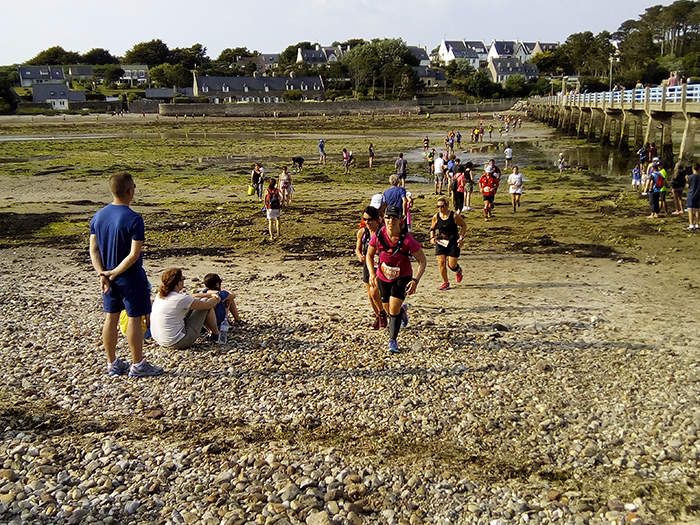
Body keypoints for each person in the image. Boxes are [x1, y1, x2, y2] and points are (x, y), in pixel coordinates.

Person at [89, 172, 163, 378]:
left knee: (111, 317)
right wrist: (113, 272)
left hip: (108, 277)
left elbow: (93, 249)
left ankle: (112, 362)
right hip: (129, 277)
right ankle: (137, 363)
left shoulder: (98, 216)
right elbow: (133, 255)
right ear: (129, 191)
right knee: (133, 318)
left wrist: (102, 273)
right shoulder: (134, 219)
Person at [366, 206, 427, 354]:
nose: (390, 221)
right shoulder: (379, 235)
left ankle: (392, 340)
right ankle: (402, 312)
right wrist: (372, 274)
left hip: (402, 277)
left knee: (393, 310)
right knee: (388, 309)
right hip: (383, 277)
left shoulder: (407, 240)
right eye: (388, 217)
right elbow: (369, 255)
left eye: (394, 218)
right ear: (383, 218)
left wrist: (415, 280)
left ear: (401, 220)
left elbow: (422, 261)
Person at [150, 268, 221, 349]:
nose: (184, 281)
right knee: (205, 305)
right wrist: (216, 298)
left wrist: (208, 295)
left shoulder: (160, 295)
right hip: (178, 342)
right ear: (178, 282)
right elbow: (207, 305)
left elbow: (191, 297)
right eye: (183, 279)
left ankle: (209, 331)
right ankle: (216, 334)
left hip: (160, 339)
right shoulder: (180, 299)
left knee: (196, 304)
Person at [355, 206, 385, 329]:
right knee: (370, 294)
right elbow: (357, 248)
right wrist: (359, 255)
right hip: (368, 265)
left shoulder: (383, 232)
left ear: (377, 220)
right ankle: (379, 316)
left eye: (370, 220)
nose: (367, 222)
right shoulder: (363, 232)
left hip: (382, 266)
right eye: (365, 219)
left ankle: (389, 312)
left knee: (378, 293)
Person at [429, 197, 467, 291]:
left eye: (442, 206)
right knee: (441, 262)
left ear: (447, 205)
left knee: (452, 265)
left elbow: (464, 226)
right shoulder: (436, 217)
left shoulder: (454, 216)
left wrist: (461, 237)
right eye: (438, 206)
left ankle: (458, 270)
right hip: (441, 241)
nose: (440, 208)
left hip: (453, 242)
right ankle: (445, 282)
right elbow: (432, 229)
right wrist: (432, 238)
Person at [686, 162, 699, 231]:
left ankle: (691, 224)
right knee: (697, 210)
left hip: (691, 194)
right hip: (698, 194)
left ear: (693, 168)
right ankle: (697, 224)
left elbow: (687, 186)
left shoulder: (690, 177)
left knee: (690, 210)